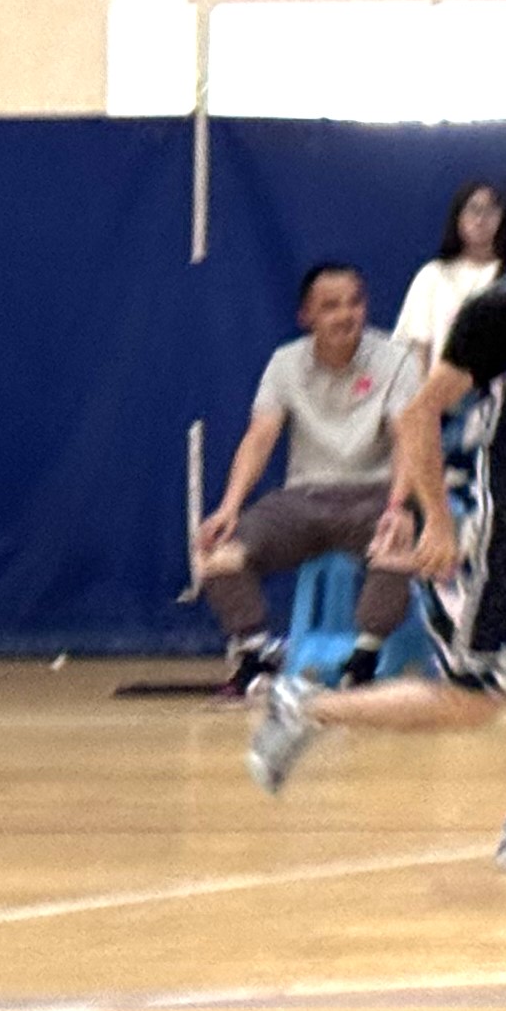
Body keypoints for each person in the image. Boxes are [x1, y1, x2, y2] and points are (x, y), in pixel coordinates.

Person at [245, 160, 506, 871]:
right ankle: (305, 704)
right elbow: (419, 413)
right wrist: (437, 521)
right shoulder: (501, 313)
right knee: (471, 701)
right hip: (480, 516)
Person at [196, 262, 416, 697]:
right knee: (217, 552)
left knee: (396, 545)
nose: (346, 315)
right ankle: (257, 652)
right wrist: (229, 508)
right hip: (301, 499)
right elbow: (259, 437)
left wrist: (398, 506)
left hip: (373, 494)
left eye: (355, 302)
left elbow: (410, 440)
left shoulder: (397, 360)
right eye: (331, 306)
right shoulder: (285, 363)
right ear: (306, 316)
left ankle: (365, 659)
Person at [390, 179, 505, 380]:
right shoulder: (433, 275)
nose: (481, 219)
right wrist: (425, 397)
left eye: (490, 211)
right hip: (442, 392)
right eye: (473, 210)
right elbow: (418, 347)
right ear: (458, 217)